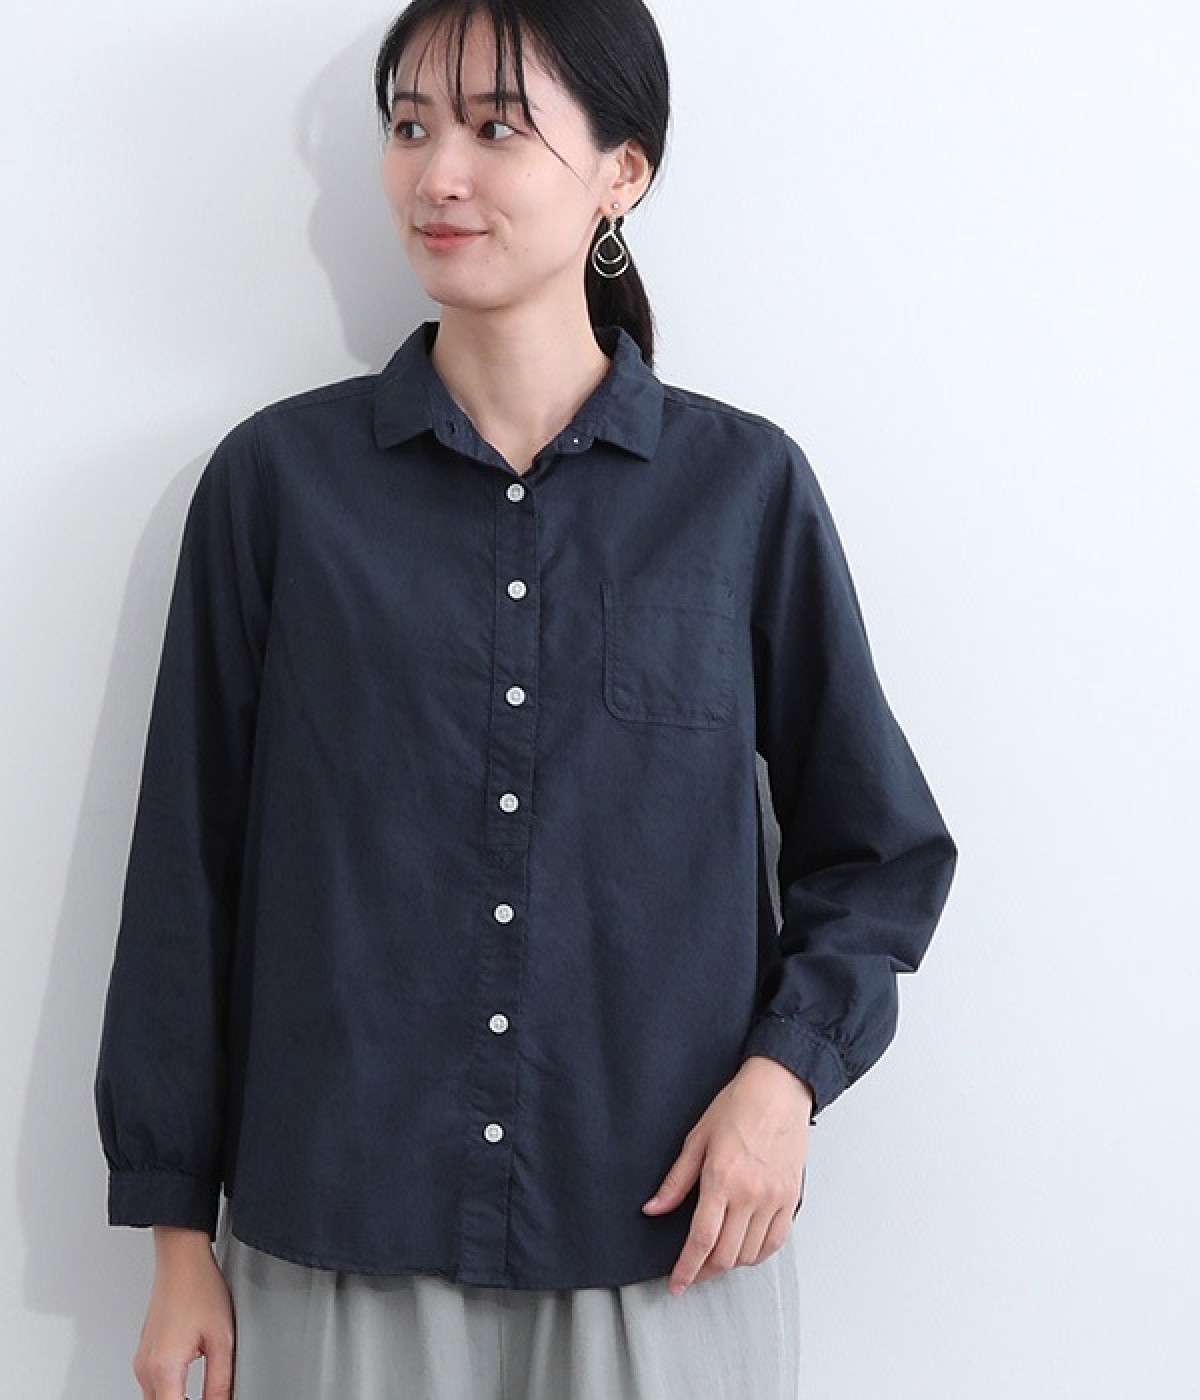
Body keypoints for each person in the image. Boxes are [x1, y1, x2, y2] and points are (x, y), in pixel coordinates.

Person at [93, 0, 958, 1396]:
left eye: (498, 129)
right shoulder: (278, 491)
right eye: (410, 126)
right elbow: (187, 877)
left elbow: (879, 851)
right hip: (341, 1243)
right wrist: (177, 1239)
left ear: (623, 171)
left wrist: (786, 1078)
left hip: (659, 1248)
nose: (439, 173)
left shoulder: (741, 495)